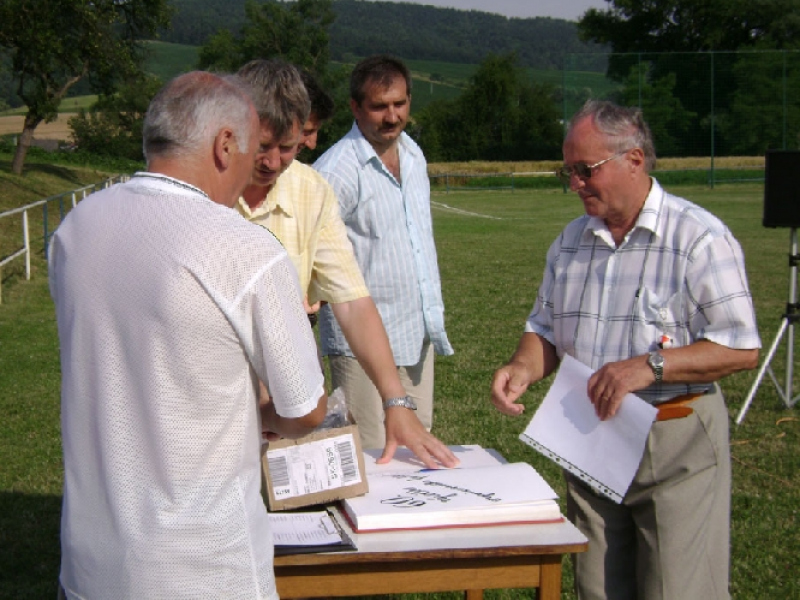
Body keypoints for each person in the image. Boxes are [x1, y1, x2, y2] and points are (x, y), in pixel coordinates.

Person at [50, 71, 327, 600]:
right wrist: (258, 412)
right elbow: (306, 409)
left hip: (88, 564)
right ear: (225, 145)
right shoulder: (245, 249)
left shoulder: (75, 228)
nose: (253, 173)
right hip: (203, 569)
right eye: (250, 154)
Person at [490, 100, 761, 600]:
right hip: (591, 439)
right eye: (567, 171)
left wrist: (651, 367)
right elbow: (544, 329)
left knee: (678, 591)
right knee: (598, 590)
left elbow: (740, 347)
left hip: (674, 439)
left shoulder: (698, 238)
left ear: (634, 159)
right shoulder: (569, 243)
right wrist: (523, 366)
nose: (574, 184)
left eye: (585, 170)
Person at [235, 58, 457, 468]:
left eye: (288, 146)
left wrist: (395, 401)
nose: (273, 162)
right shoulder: (204, 190)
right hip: (212, 400)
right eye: (263, 146)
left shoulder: (310, 190)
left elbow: (352, 299)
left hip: (287, 394)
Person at [314, 55, 454, 451]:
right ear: (355, 108)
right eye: (379, 106)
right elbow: (313, 264)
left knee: (415, 451)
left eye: (399, 103)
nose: (392, 116)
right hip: (360, 346)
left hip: (415, 335)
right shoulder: (336, 172)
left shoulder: (413, 155)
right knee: (373, 456)